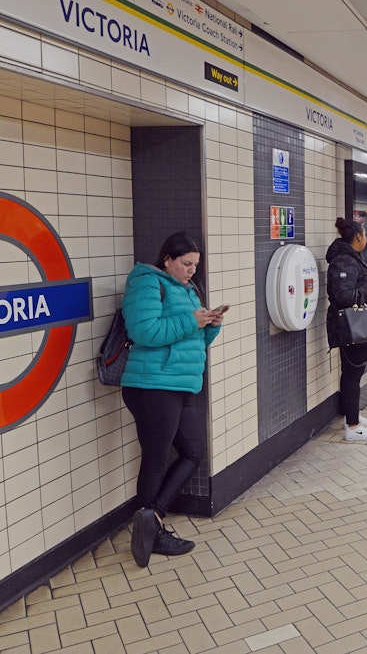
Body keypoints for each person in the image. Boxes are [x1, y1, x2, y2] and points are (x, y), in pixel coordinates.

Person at [122, 232, 225, 567]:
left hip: (179, 385)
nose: (191, 270)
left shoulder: (188, 290)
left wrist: (210, 324)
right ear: (167, 258)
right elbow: (144, 331)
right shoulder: (147, 283)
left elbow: (193, 337)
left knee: (193, 452)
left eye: (195, 265)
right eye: (186, 263)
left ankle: (153, 522)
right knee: (155, 458)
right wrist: (191, 320)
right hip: (152, 385)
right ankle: (150, 533)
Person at [326, 217, 367, 441]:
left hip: (355, 327)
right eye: (365, 235)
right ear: (359, 237)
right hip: (351, 328)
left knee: (353, 375)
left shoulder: (352, 258)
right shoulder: (344, 260)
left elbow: (354, 286)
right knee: (352, 376)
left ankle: (353, 416)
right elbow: (344, 296)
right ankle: (353, 427)